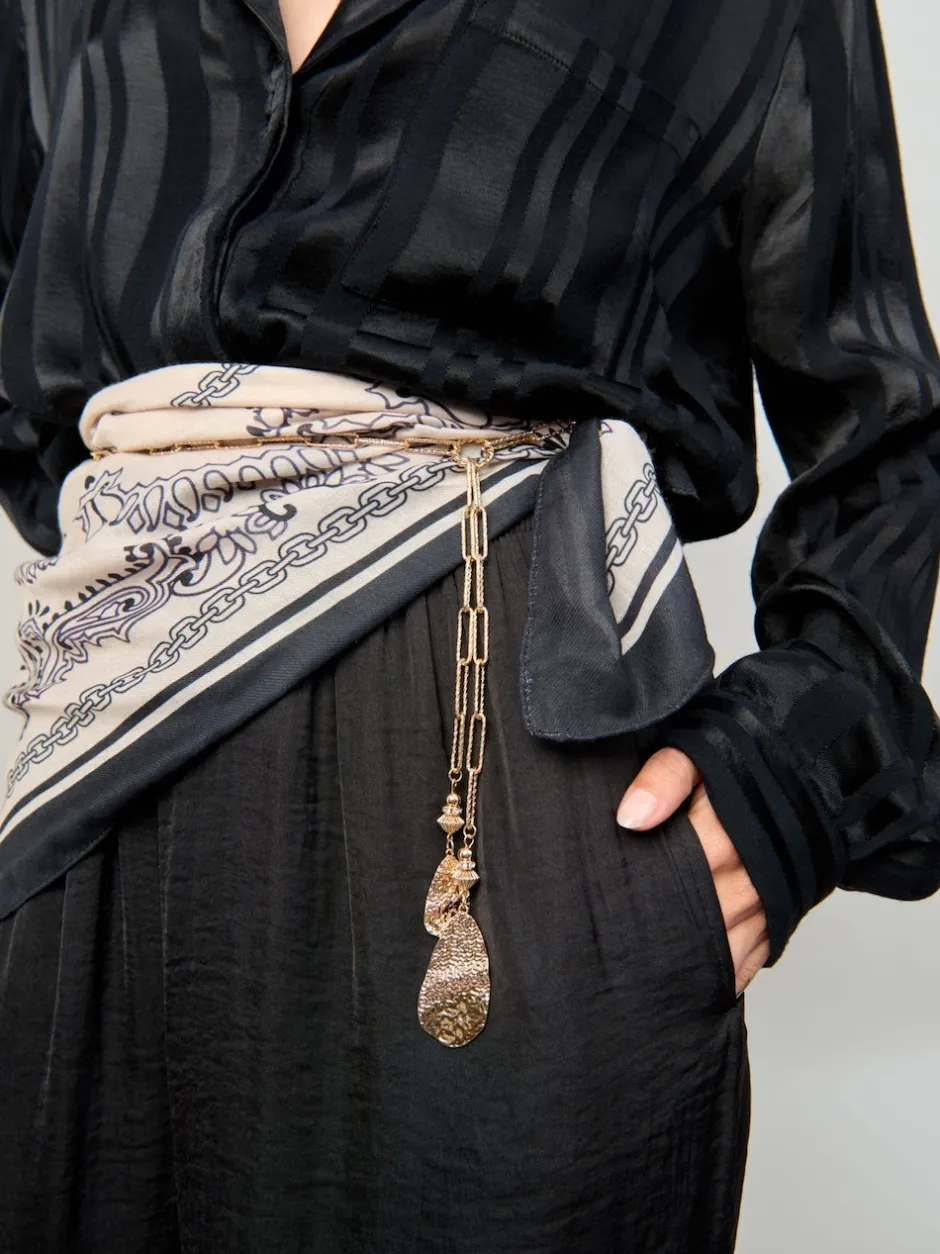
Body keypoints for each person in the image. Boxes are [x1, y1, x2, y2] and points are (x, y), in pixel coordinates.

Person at [1, 0, 939, 1250]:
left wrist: (787, 779)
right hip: (93, 798)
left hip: (514, 820)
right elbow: (29, 386)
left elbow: (882, 431)